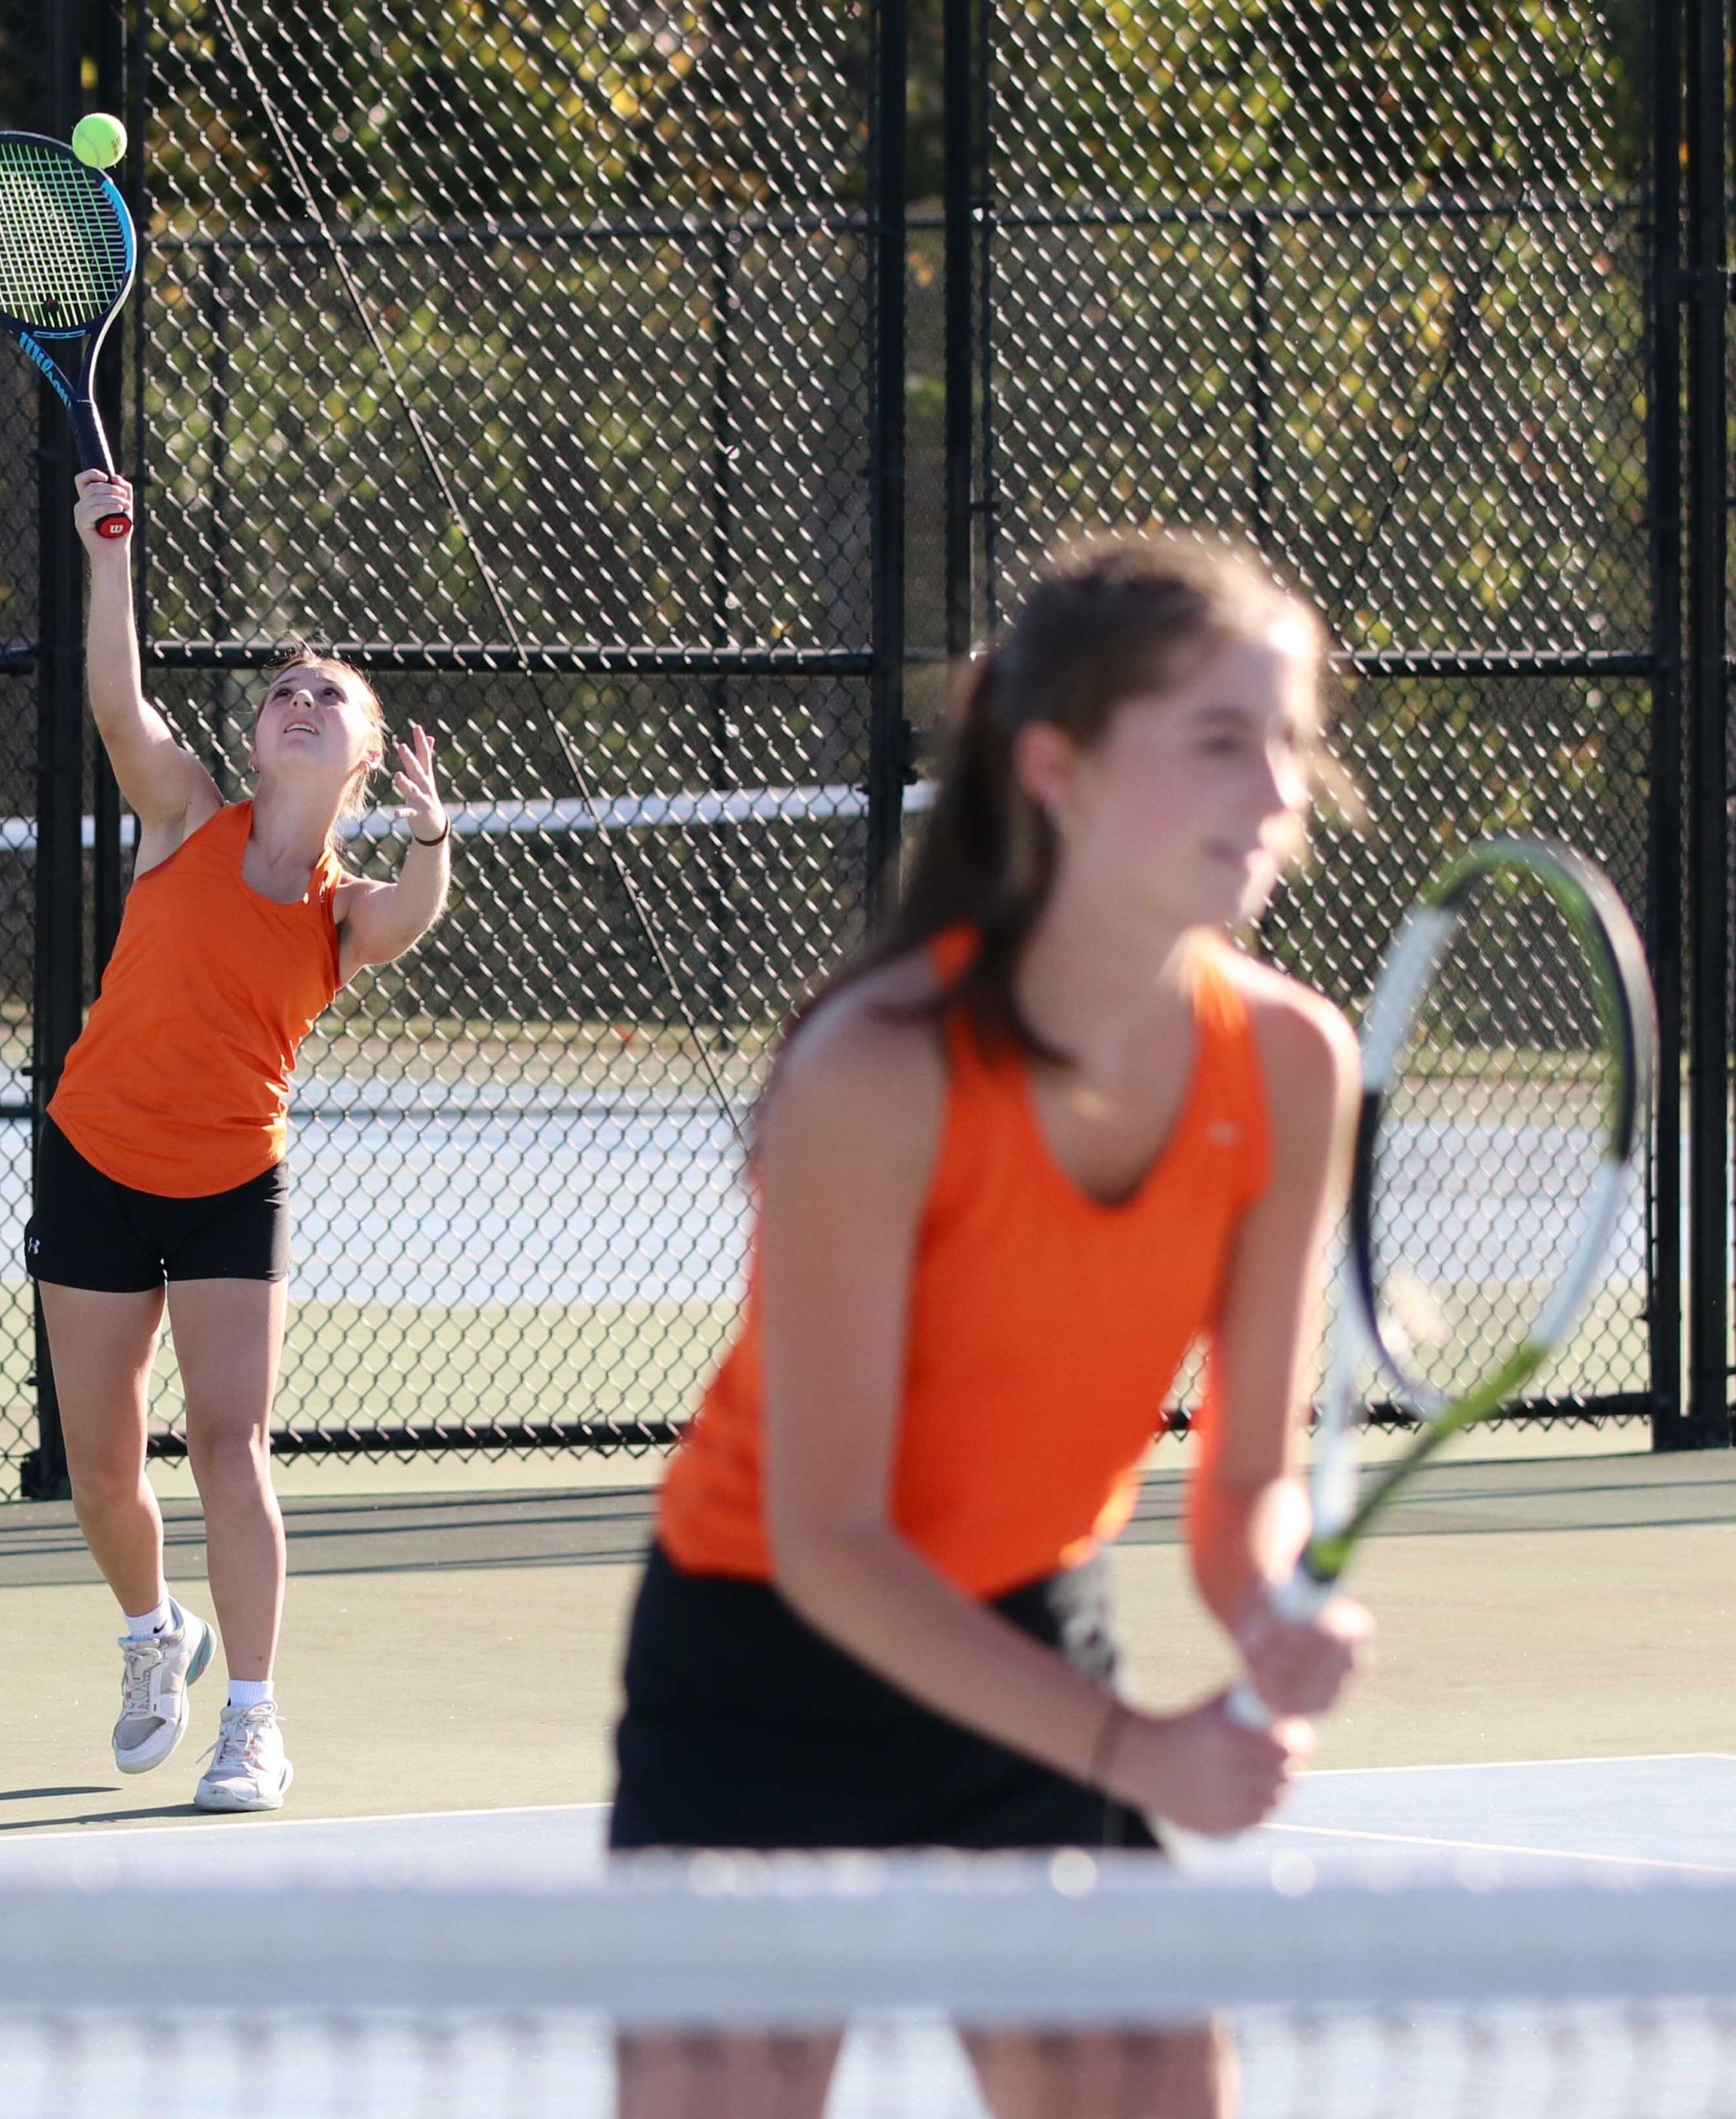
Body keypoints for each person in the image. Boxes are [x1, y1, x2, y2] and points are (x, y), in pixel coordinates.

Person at [610, 535, 1371, 2116]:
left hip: (1023, 1632)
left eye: (1289, 741)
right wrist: (1135, 1752)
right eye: (1218, 740)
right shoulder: (874, 1071)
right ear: (1055, 767)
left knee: (1150, 2088)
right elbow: (830, 1543)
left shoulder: (1294, 1066)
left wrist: (1265, 1605)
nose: (1275, 789)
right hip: (762, 1665)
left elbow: (1242, 1483)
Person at [26, 467, 451, 1813]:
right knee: (103, 1472)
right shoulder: (183, 816)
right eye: (284, 692)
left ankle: (254, 1724)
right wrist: (108, 556)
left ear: (365, 756)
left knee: (229, 1445)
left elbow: (412, 915)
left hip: (230, 1185)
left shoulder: (347, 908)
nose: (304, 701)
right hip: (95, 1160)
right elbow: (118, 707)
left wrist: (432, 835)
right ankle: (154, 1634)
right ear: (257, 740)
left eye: (333, 696)